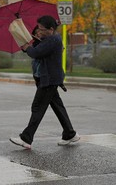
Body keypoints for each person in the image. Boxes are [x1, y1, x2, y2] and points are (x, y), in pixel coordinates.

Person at [9, 15, 80, 149]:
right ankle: (70, 134)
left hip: (49, 80)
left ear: (51, 29)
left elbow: (36, 53)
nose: (39, 31)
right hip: (50, 79)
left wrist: (26, 46)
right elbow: (38, 51)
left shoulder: (53, 40)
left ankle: (26, 138)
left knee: (38, 107)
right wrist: (32, 42)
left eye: (42, 29)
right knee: (58, 107)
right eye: (39, 29)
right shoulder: (49, 39)